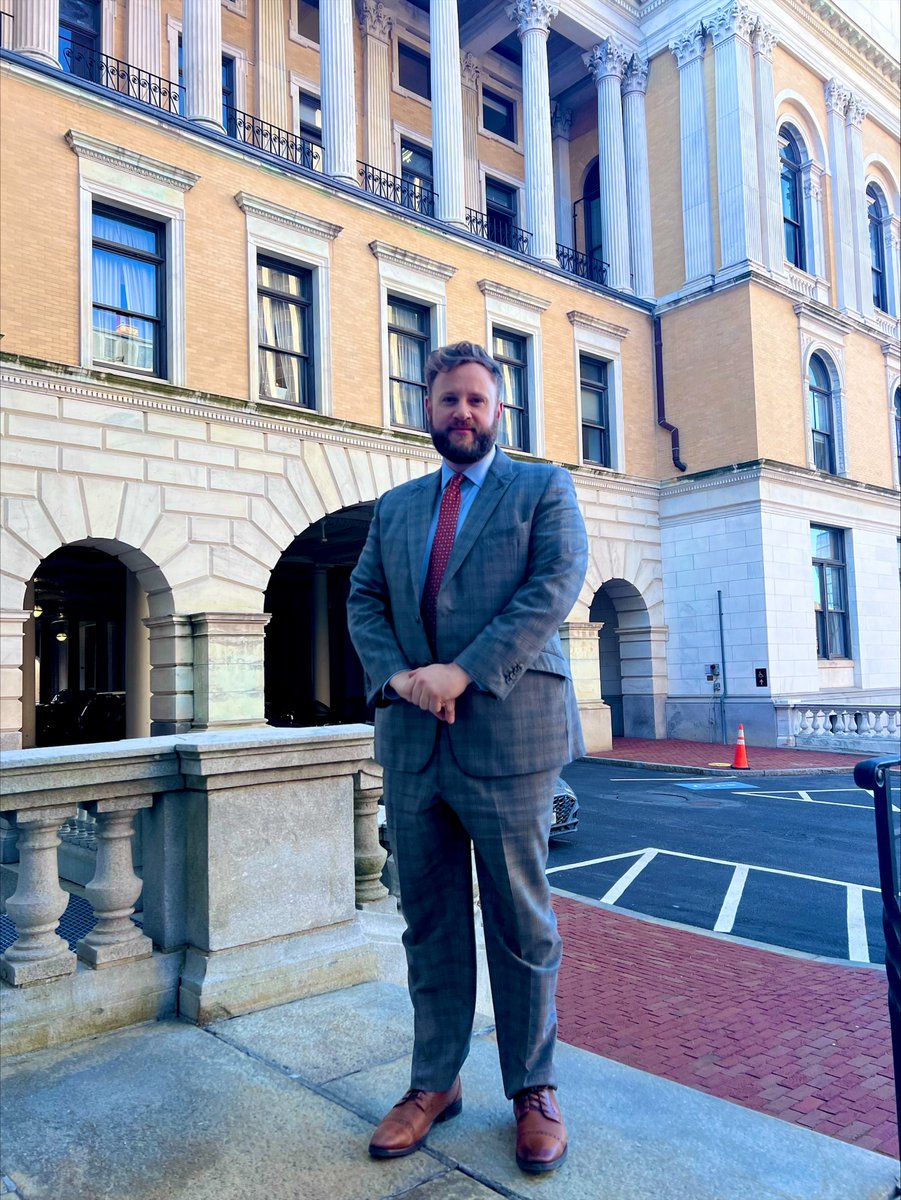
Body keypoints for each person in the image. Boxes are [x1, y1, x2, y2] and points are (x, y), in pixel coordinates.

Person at [347, 341, 588, 1174]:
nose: (462, 414)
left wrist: (463, 670)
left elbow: (552, 586)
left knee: (521, 923)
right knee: (431, 924)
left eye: (476, 401)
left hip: (509, 734)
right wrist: (400, 679)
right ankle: (433, 1083)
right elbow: (365, 598)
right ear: (427, 406)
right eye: (448, 400)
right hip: (415, 743)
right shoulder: (398, 504)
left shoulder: (541, 488)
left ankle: (532, 1089)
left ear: (498, 409)